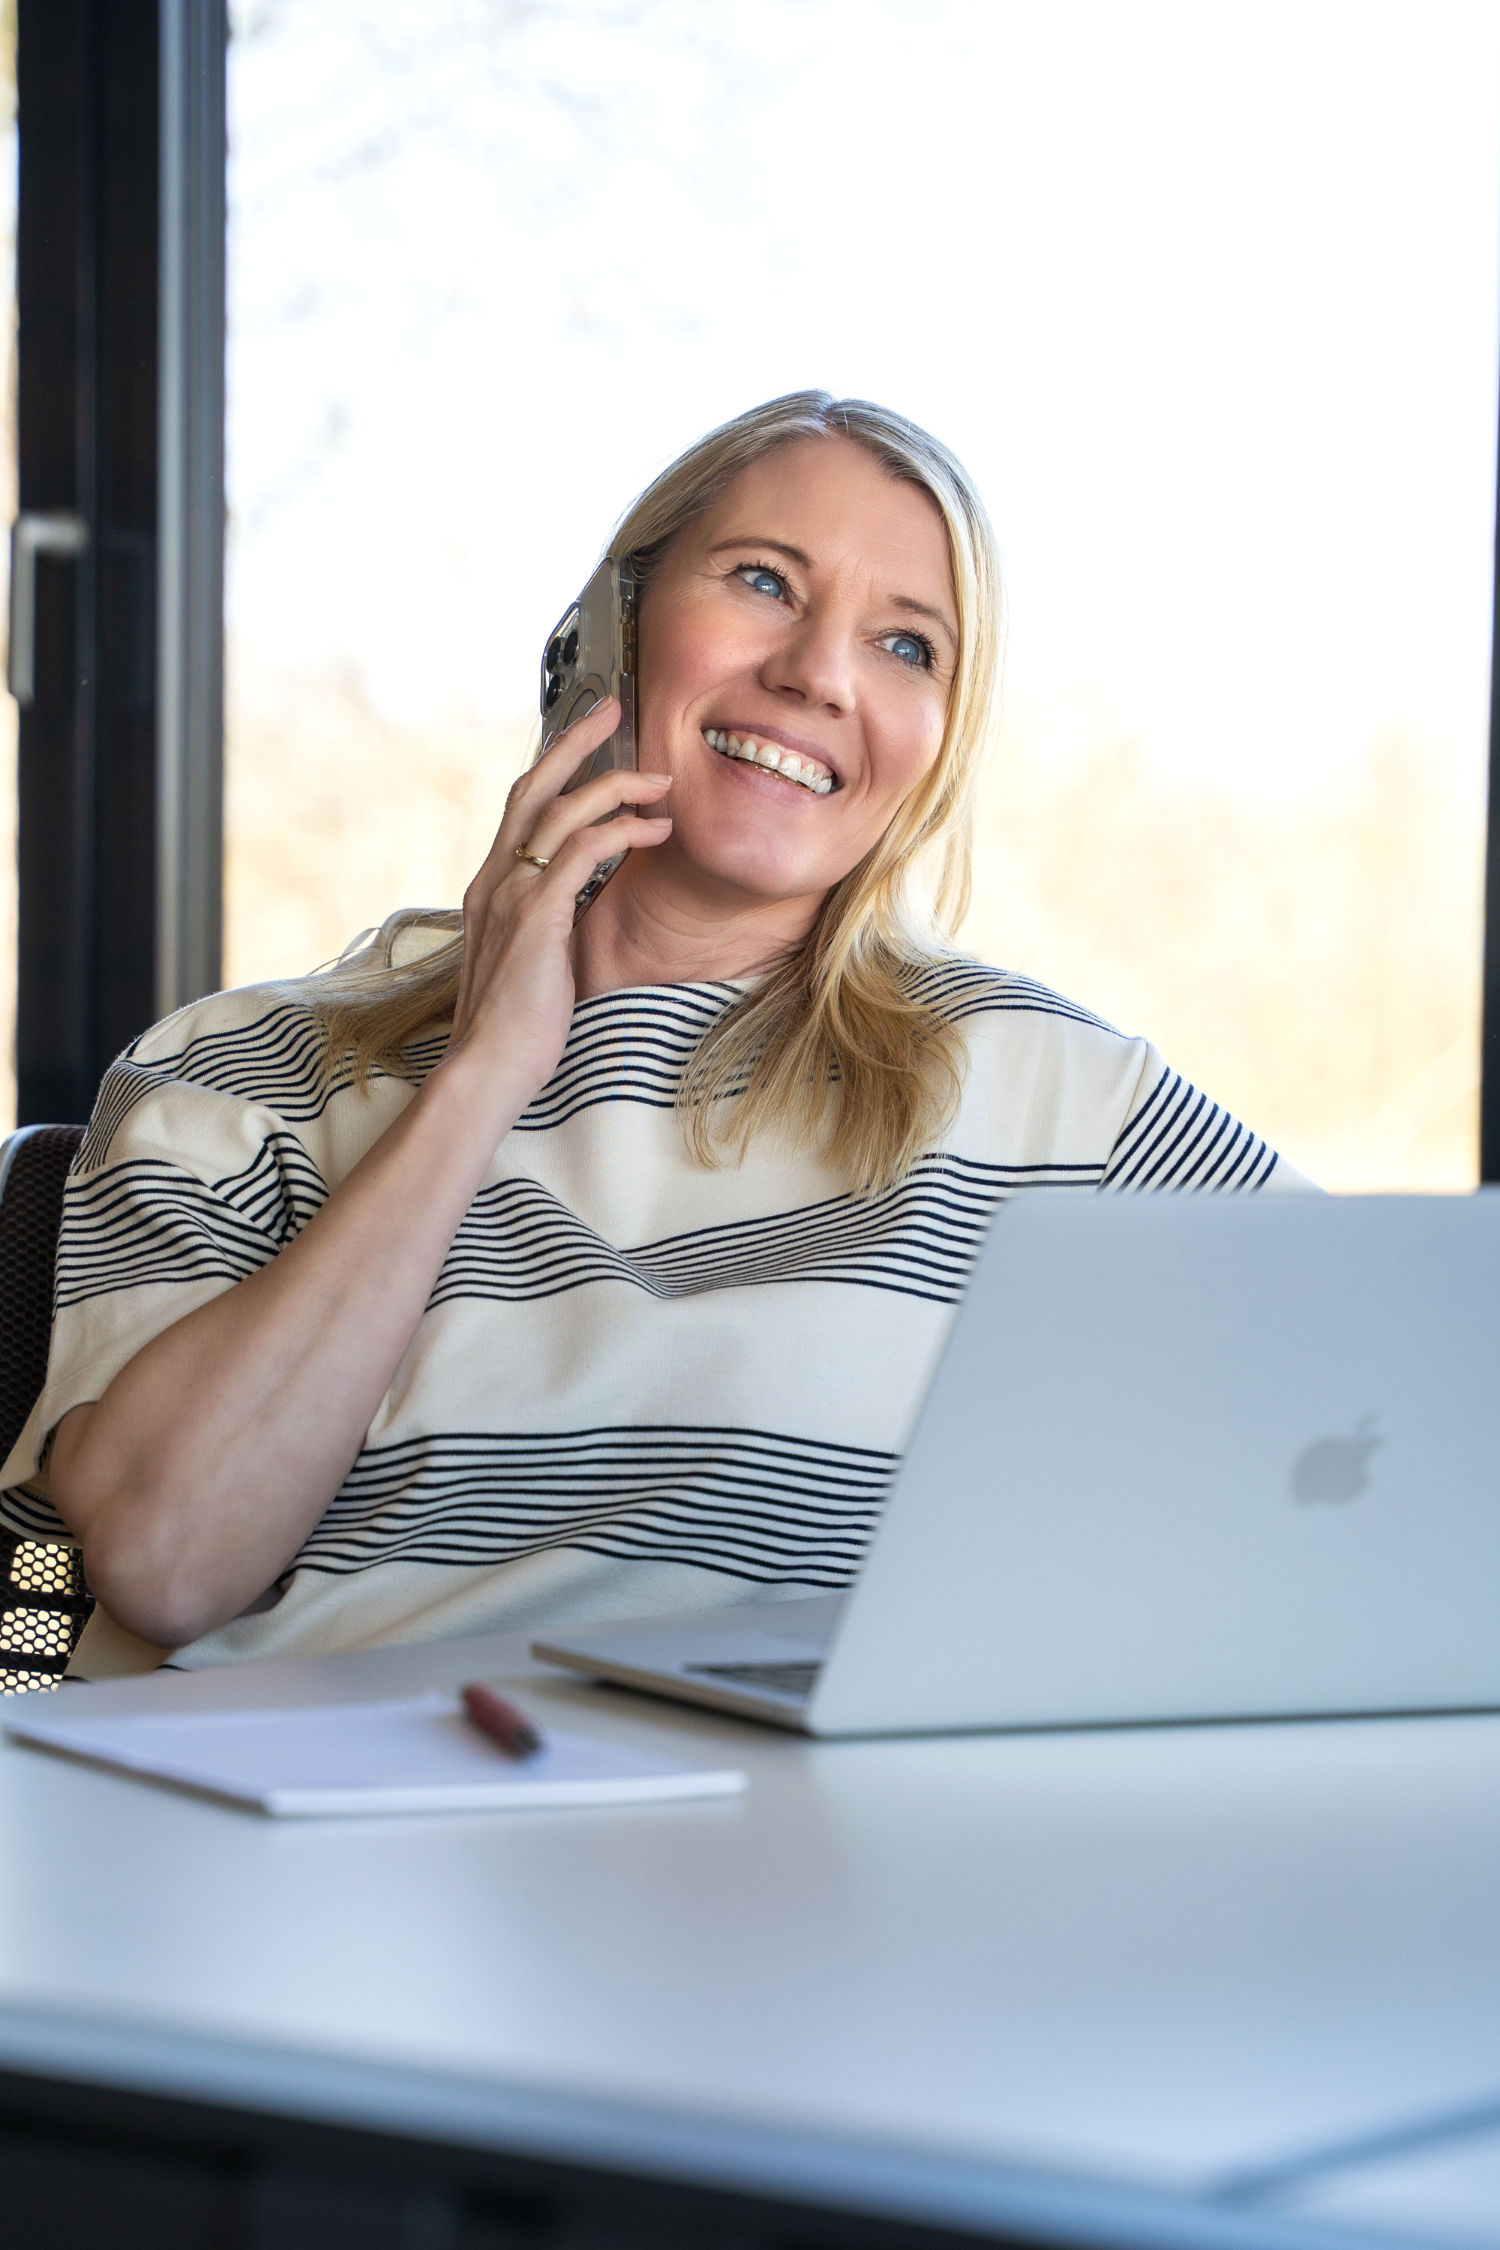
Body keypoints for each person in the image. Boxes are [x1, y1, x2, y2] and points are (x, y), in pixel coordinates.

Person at [0, 392, 1307, 1678]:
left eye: (907, 645)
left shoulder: (1060, 1104)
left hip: (802, 1877)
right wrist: (483, 1076)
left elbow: (1407, 1404)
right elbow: (165, 1557)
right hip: (276, 1857)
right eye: (764, 580)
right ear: (608, 635)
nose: (818, 674)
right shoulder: (241, 1073)